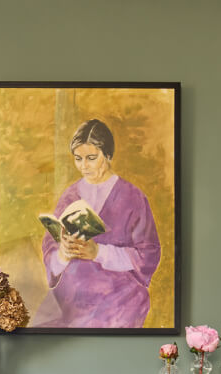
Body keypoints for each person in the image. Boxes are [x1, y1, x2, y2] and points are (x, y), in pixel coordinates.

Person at [34, 119, 162, 327]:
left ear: (108, 155)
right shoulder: (70, 195)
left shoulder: (132, 197)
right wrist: (63, 254)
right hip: (70, 296)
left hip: (118, 297)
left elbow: (148, 255)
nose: (83, 166)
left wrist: (99, 252)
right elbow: (50, 247)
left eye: (91, 158)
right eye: (78, 158)